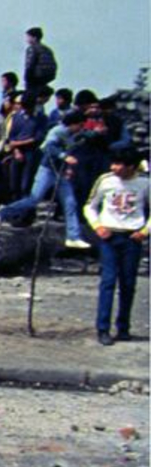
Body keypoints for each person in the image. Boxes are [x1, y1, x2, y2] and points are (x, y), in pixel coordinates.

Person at [0, 109, 90, 248]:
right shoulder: (57, 131)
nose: (81, 128)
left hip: (61, 172)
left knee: (70, 203)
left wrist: (68, 167)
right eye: (80, 125)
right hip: (47, 170)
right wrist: (64, 156)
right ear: (73, 123)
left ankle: (73, 236)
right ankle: (3, 213)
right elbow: (48, 147)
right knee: (34, 199)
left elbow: (76, 145)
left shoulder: (74, 135)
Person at [83, 145, 148, 345]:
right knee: (108, 282)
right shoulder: (105, 180)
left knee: (128, 284)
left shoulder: (145, 183)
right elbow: (90, 206)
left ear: (131, 166)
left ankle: (124, 327)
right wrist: (97, 226)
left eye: (119, 164)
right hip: (109, 237)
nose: (114, 167)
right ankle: (103, 328)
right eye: (113, 163)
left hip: (132, 238)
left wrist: (145, 231)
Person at [22, 27, 58, 111]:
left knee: (30, 102)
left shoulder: (32, 49)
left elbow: (29, 65)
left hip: (34, 79)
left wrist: (27, 79)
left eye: (28, 37)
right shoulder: (47, 49)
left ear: (34, 37)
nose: (27, 39)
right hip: (44, 80)